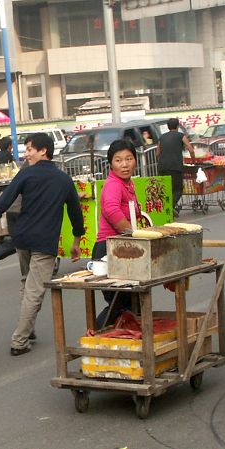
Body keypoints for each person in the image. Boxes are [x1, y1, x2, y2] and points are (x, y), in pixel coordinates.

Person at [0, 133, 85, 356]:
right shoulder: (63, 180)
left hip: (22, 238)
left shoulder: (25, 174)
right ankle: (20, 339)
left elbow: (3, 202)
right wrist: (76, 242)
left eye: (29, 150)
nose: (25, 155)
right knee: (35, 291)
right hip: (44, 242)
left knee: (27, 283)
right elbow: (76, 215)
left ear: (43, 150)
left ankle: (29, 328)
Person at [92, 140, 140, 327]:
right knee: (121, 304)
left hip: (122, 249)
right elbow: (111, 210)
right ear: (111, 164)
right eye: (118, 160)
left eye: (129, 159)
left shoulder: (128, 184)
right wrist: (134, 234)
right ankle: (95, 335)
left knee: (130, 303)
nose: (125, 164)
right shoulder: (113, 184)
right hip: (109, 251)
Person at [156, 118, 195, 214]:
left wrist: (161, 162)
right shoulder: (181, 136)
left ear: (168, 127)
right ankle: (170, 206)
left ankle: (167, 209)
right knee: (178, 189)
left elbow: (157, 153)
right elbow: (191, 149)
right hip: (175, 167)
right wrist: (193, 160)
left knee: (167, 189)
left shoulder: (162, 137)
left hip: (162, 167)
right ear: (178, 126)